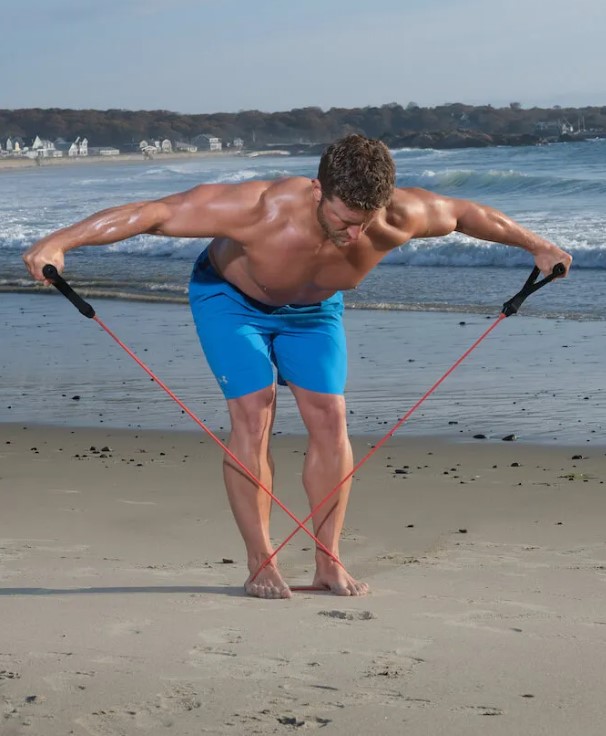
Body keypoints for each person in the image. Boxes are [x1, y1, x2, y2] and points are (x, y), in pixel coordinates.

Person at [23, 134, 572, 600]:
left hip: (315, 313)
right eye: (343, 219)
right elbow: (154, 214)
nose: (355, 235)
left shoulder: (397, 216)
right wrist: (58, 241)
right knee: (254, 415)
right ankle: (261, 559)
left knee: (331, 421)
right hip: (230, 301)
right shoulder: (258, 207)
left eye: (366, 221)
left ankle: (328, 560)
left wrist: (536, 244)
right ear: (318, 190)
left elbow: (465, 214)